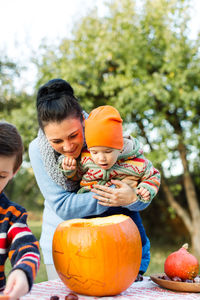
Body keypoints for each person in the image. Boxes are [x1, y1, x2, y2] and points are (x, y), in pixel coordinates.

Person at [29, 78, 159, 281]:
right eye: (57, 141)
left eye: (73, 135)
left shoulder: (105, 134)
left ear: (83, 121)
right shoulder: (37, 150)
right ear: (46, 137)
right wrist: (116, 195)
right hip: (66, 243)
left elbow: (139, 185)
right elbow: (63, 205)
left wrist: (133, 198)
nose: (68, 146)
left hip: (117, 240)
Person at [60, 105, 160, 204]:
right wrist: (70, 171)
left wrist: (146, 188)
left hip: (121, 210)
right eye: (94, 152)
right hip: (89, 211)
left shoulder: (137, 162)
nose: (101, 158)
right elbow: (77, 177)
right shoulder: (85, 157)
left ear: (120, 147)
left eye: (108, 152)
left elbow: (153, 175)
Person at [0, 122, 40, 300]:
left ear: (14, 172)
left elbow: (27, 248)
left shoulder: (11, 216)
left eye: (0, 176)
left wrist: (22, 272)